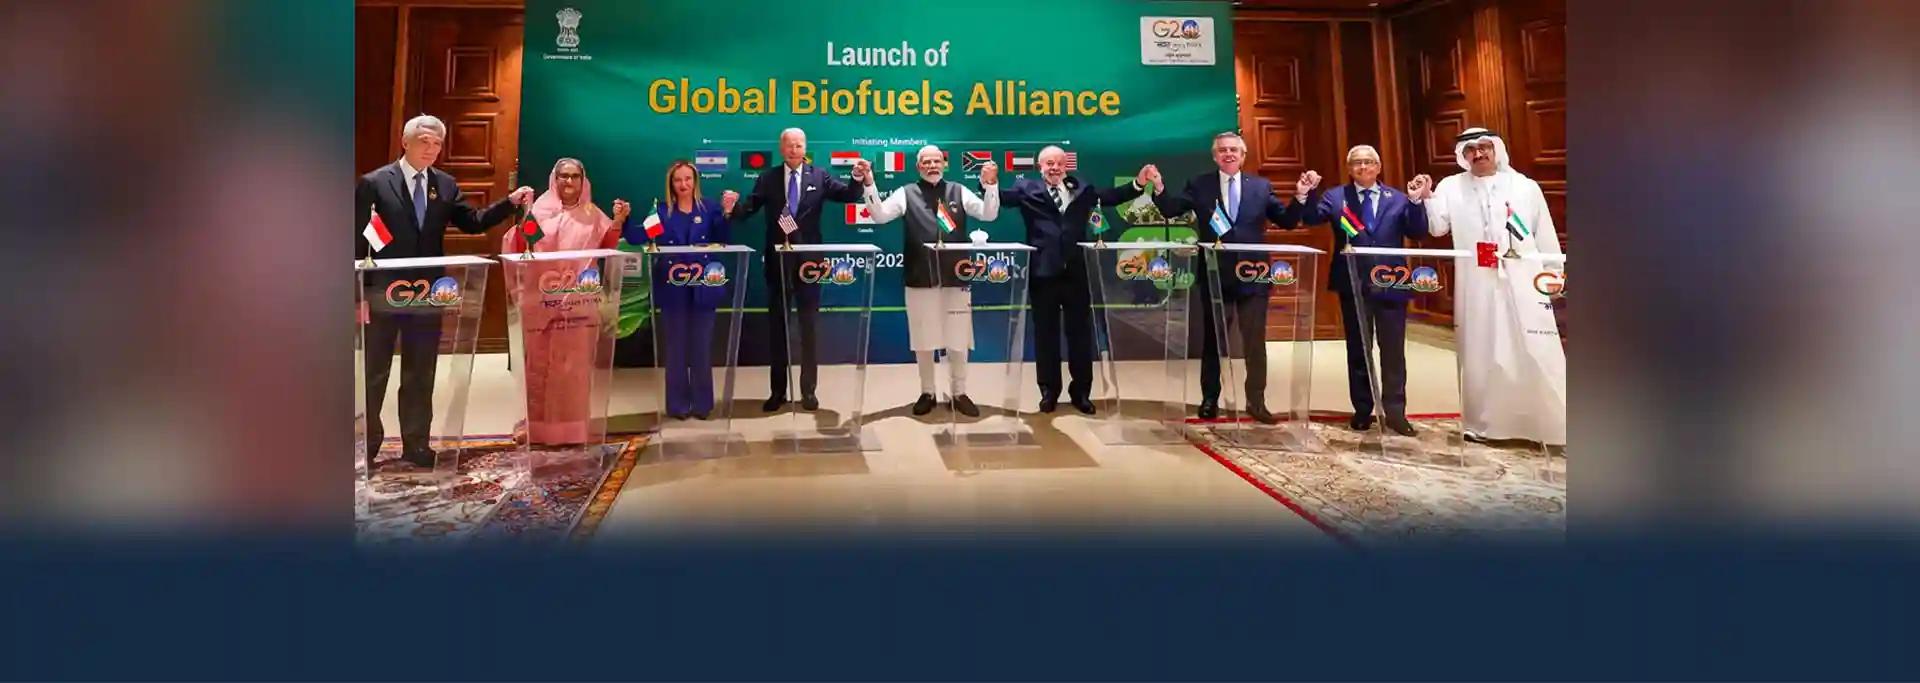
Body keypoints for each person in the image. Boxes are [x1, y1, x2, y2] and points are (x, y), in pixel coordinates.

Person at [356, 114, 532, 467]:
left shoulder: (445, 185)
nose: (431, 149)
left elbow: (473, 222)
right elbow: (355, 240)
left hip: (427, 293)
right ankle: (366, 445)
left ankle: (417, 444)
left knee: (421, 372)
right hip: (381, 293)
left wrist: (510, 203)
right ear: (405, 142)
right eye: (424, 141)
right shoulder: (374, 183)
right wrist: (356, 295)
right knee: (374, 373)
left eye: (437, 144)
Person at [1146, 132, 1312, 421]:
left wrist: (1300, 196)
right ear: (1215, 156)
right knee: (1213, 342)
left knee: (1254, 343)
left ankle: (1256, 402)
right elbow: (1171, 210)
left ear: (1243, 156)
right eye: (1222, 150)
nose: (1229, 154)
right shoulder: (1200, 184)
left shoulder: (1261, 187)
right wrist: (1158, 186)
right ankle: (1209, 399)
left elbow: (1286, 221)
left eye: (1234, 149)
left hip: (1253, 276)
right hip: (1215, 274)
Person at [1419, 127, 1566, 446]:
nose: (1478, 154)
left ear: (1496, 149)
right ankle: (1483, 423)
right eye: (1470, 150)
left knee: (1534, 346)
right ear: (1463, 156)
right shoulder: (1451, 186)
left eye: (1484, 147)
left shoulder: (1525, 186)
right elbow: (1438, 227)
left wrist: (1553, 272)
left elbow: (1543, 232)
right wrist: (1428, 197)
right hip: (1477, 282)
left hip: (1523, 279)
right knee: (1481, 348)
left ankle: (1547, 424)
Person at [999, 146, 1149, 415]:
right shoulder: (1026, 189)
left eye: (1059, 163)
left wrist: (1138, 183)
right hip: (1043, 273)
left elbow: (1111, 196)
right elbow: (1002, 198)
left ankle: (1081, 392)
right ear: (1040, 166)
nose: (1054, 168)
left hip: (1077, 272)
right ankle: (1049, 392)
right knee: (1046, 335)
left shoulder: (1081, 188)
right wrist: (987, 184)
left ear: (1066, 166)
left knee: (1080, 335)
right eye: (1049, 163)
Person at [855, 146, 1001, 417]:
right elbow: (880, 215)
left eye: (936, 161)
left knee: (958, 337)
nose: (932, 165)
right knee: (923, 338)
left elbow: (988, 214)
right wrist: (869, 183)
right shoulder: (907, 192)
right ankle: (927, 391)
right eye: (926, 162)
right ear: (918, 167)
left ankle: (959, 392)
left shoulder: (959, 190)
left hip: (956, 275)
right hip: (920, 275)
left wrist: (991, 185)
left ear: (944, 164)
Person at [727, 128, 865, 412]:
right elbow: (748, 210)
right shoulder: (768, 178)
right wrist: (731, 208)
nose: (794, 149)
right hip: (777, 261)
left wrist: (857, 177)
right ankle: (777, 392)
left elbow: (850, 195)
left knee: (809, 327)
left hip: (809, 263)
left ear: (805, 148)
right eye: (789, 145)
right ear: (781, 149)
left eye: (799, 145)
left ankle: (809, 391)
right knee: (778, 328)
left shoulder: (820, 176)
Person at [1295, 145, 1427, 436]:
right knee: (1358, 349)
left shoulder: (1398, 198)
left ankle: (1396, 413)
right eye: (1357, 163)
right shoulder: (1336, 197)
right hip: (1353, 283)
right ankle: (1363, 410)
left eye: (1369, 162)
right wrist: (1306, 194)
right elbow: (1312, 218)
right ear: (1349, 168)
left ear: (1378, 167)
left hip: (1392, 282)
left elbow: (1417, 232)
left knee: (1393, 351)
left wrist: (1417, 202)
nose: (1363, 167)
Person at [500, 157, 630, 445]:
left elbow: (606, 246)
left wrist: (618, 222)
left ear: (583, 181)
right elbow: (520, 246)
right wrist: (523, 220)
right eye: (563, 176)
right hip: (541, 299)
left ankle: (572, 429)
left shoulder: (592, 214)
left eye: (574, 176)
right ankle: (537, 428)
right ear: (554, 179)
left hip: (578, 302)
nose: (569, 181)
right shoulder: (538, 210)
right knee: (539, 366)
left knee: (573, 368)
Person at [633, 160, 739, 420]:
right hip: (673, 289)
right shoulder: (662, 211)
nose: (683, 184)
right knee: (676, 349)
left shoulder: (709, 208)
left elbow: (722, 239)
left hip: (704, 287)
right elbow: (639, 237)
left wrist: (727, 213)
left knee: (701, 347)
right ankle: (678, 405)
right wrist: (622, 221)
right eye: (678, 180)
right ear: (671, 184)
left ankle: (702, 405)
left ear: (695, 181)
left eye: (688, 179)